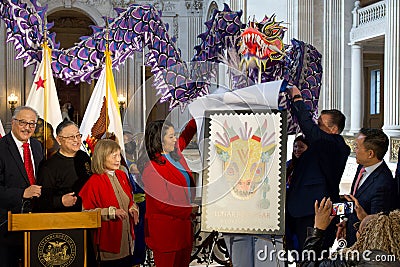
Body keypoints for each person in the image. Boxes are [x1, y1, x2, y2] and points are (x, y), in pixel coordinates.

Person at [286, 86, 351, 251]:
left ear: (333, 129)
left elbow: (309, 128)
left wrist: (298, 99)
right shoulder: (321, 144)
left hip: (313, 214)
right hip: (300, 210)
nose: (316, 128)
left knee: (312, 257)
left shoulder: (335, 145)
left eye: (320, 125)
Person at [137, 119, 197, 267]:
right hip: (166, 233)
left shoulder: (175, 153)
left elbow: (187, 133)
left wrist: (200, 111)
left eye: (174, 135)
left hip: (182, 229)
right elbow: (162, 205)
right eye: (171, 136)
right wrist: (189, 209)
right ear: (160, 140)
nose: (175, 139)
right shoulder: (151, 168)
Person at [79, 139, 138, 266]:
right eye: (114, 156)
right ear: (102, 157)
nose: (118, 159)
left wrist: (133, 208)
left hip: (127, 243)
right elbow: (85, 214)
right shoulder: (93, 182)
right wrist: (111, 213)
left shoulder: (122, 175)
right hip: (108, 247)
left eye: (119, 155)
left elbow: (130, 201)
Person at [0, 106, 43, 267]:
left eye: (32, 124)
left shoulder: (37, 146)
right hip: (6, 224)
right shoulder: (2, 147)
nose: (28, 128)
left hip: (34, 222)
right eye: (23, 122)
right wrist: (22, 193)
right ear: (13, 122)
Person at [300, 197, 400, 266]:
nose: (356, 231)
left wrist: (318, 228)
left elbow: (307, 264)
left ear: (365, 239)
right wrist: (368, 221)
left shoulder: (350, 262)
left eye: (358, 229)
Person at [340, 128, 397, 246]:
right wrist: (346, 220)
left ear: (370, 154)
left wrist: (363, 216)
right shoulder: (361, 166)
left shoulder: (383, 184)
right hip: (350, 236)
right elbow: (354, 200)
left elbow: (379, 226)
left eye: (357, 147)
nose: (354, 150)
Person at [35, 120, 92, 212]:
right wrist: (60, 201)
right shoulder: (48, 166)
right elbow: (41, 201)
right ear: (58, 140)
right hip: (63, 217)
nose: (76, 140)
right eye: (70, 137)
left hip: (88, 213)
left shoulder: (83, 156)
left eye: (78, 135)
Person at [286, 135, 309, 252]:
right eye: (295, 146)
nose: (297, 149)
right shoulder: (289, 165)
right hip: (288, 211)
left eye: (301, 147)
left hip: (301, 213)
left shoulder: (309, 167)